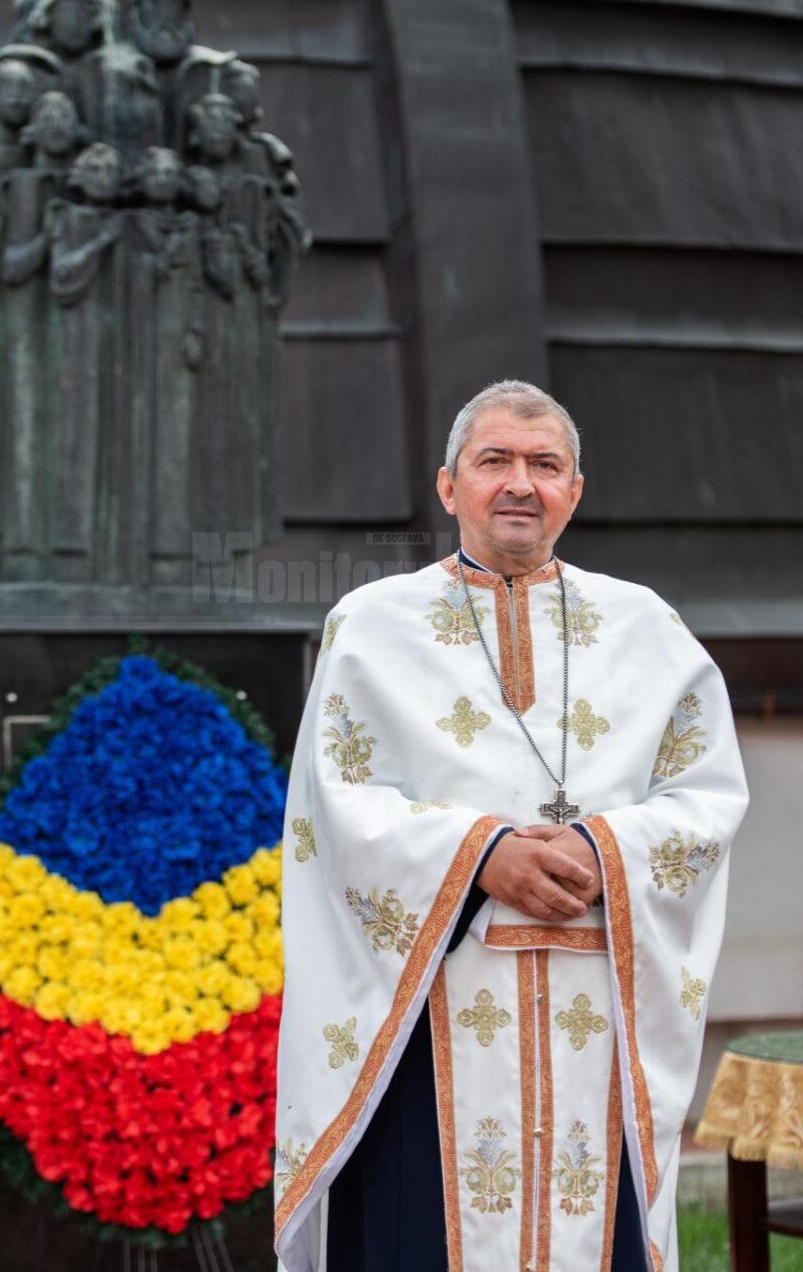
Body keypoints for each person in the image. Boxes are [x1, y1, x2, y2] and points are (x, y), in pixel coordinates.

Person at [274, 380, 748, 1272]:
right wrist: (479, 853)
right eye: (495, 461)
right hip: (427, 1003)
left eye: (545, 464)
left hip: (595, 1009)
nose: (520, 483)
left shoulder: (649, 628)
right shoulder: (373, 627)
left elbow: (708, 796)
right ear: (449, 486)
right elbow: (334, 804)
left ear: (577, 489)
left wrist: (604, 848)